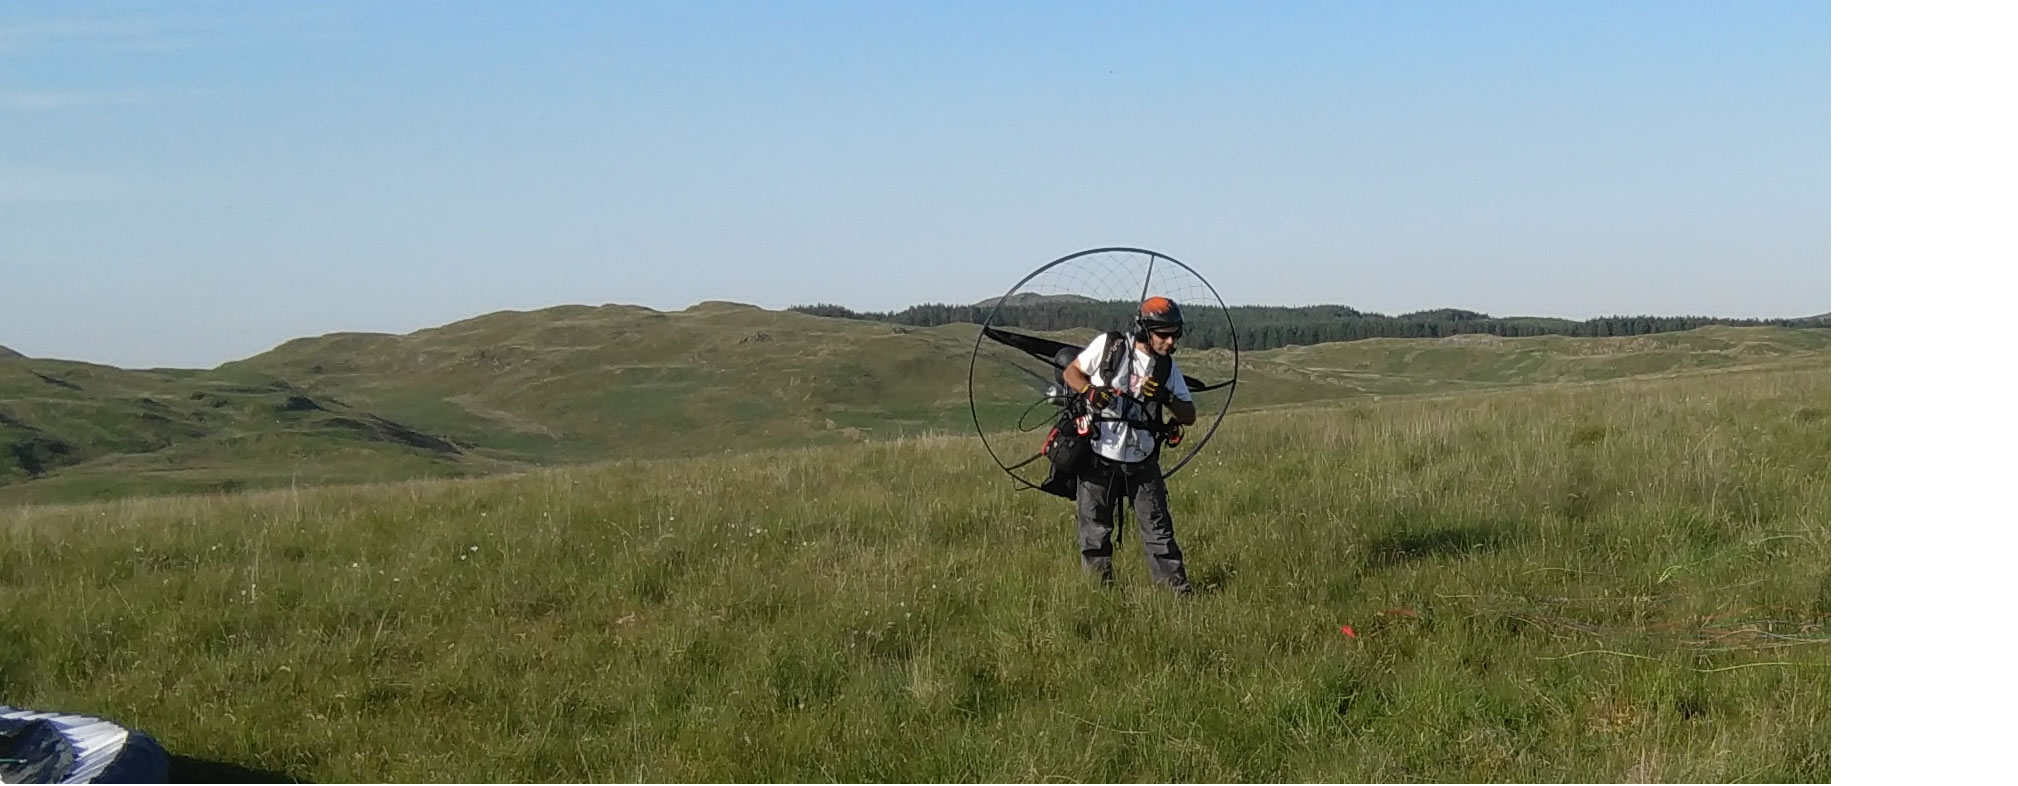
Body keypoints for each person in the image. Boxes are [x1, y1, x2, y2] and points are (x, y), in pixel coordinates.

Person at [1059, 296, 1198, 594]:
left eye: (1176, 334)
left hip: (1143, 459)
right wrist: (1090, 391)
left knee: (1159, 533)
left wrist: (1164, 396)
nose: (1171, 342)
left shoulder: (1166, 368)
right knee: (1095, 534)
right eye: (1164, 335)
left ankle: (1177, 598)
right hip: (1098, 454)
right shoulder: (1110, 347)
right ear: (1145, 330)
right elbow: (1071, 372)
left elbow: (1189, 415)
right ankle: (1099, 598)